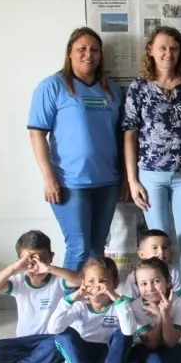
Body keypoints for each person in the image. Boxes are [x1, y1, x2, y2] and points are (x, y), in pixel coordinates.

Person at [124, 26, 181, 301]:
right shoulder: (138, 89)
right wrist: (132, 181)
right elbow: (129, 134)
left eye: (174, 48)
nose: (168, 53)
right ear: (150, 51)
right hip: (150, 177)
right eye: (162, 47)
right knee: (157, 247)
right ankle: (160, 304)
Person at [28, 27, 124, 273]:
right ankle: (68, 306)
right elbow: (37, 133)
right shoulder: (53, 86)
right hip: (70, 183)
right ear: (70, 53)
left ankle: (91, 307)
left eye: (94, 49)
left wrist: (124, 178)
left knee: (96, 250)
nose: (88, 54)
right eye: (81, 49)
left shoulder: (112, 90)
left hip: (107, 181)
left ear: (101, 55)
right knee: (79, 248)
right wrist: (49, 178)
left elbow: (122, 137)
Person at [0, 231, 82, 363]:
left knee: (60, 344)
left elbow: (80, 280)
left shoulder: (57, 280)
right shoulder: (18, 282)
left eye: (42, 261)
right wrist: (15, 267)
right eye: (30, 264)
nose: (36, 268)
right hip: (24, 341)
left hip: (51, 339)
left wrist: (49, 268)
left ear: (51, 257)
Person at [47, 257, 135, 363]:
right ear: (83, 283)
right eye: (91, 281)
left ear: (114, 283)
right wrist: (72, 297)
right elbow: (54, 329)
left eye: (104, 281)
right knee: (63, 335)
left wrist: (114, 296)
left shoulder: (119, 305)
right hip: (84, 356)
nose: (97, 286)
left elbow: (129, 331)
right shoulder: (80, 306)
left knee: (123, 334)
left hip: (108, 359)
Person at [122, 230, 181, 353]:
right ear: (141, 253)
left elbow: (179, 298)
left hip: (170, 309)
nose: (161, 252)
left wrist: (168, 312)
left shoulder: (173, 271)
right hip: (146, 314)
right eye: (155, 248)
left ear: (167, 281)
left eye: (165, 247)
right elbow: (127, 303)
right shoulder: (134, 276)